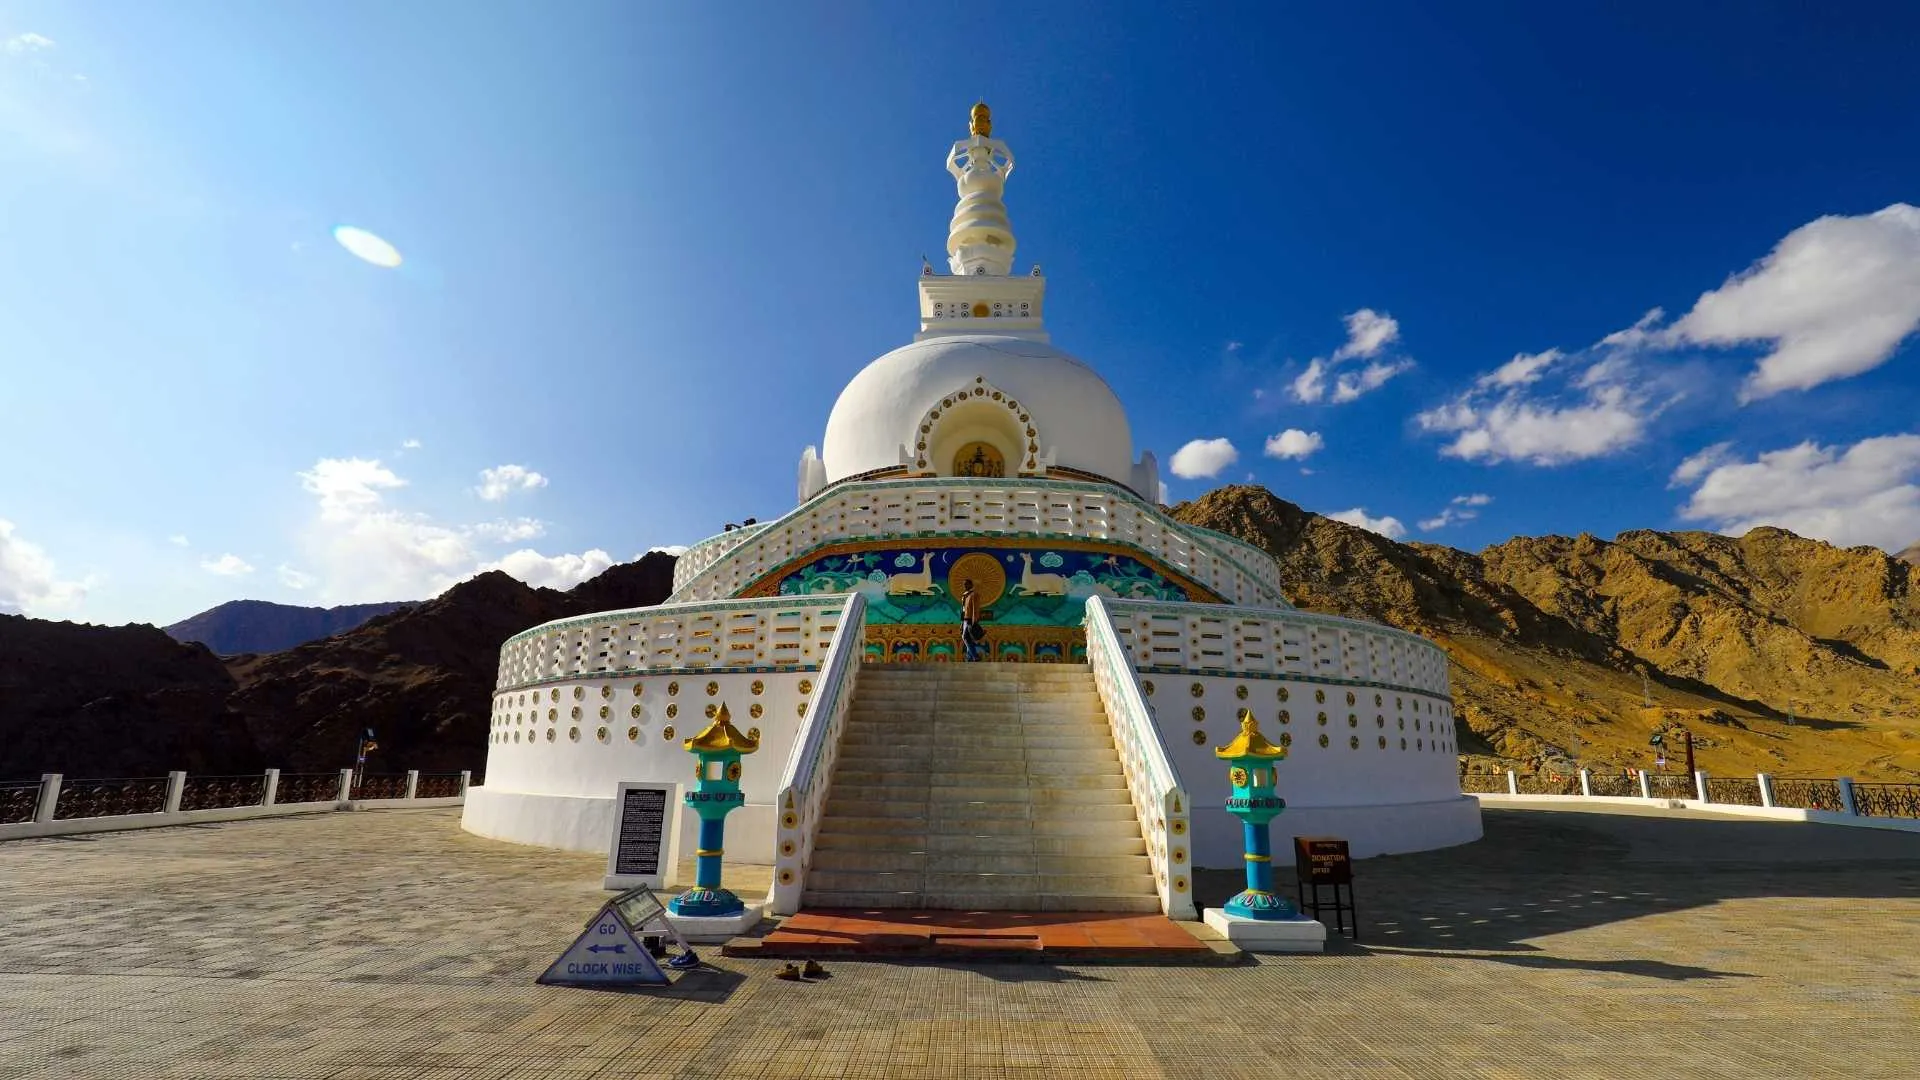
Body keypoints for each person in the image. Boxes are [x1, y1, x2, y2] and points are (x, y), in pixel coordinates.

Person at [960, 580, 986, 662]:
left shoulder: (974, 595)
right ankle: (969, 657)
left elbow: (976, 608)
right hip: (965, 619)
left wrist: (974, 621)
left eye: (967, 584)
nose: (965, 586)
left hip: (970, 619)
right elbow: (964, 610)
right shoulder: (965, 596)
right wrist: (962, 622)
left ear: (971, 585)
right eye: (964, 584)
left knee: (965, 637)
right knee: (968, 638)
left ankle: (975, 656)